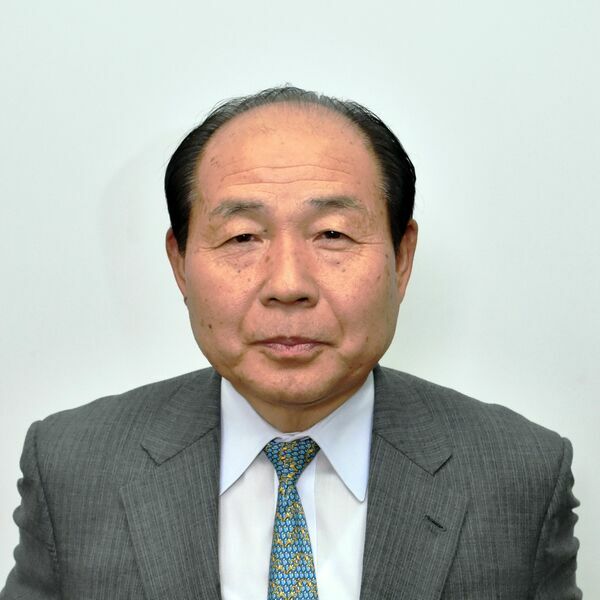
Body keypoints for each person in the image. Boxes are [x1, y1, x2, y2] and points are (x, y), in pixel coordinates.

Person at [1, 87, 581, 600]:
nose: (287, 284)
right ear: (179, 264)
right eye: (242, 237)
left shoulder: (519, 473)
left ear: (401, 259)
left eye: (332, 233)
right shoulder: (74, 465)